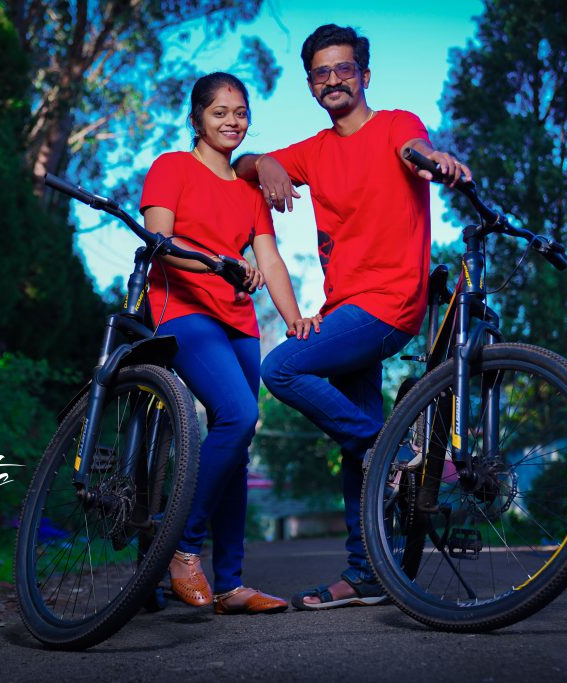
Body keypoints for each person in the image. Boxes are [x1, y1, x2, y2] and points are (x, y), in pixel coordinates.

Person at [234, 24, 471, 610]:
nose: (334, 79)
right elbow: (241, 165)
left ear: (364, 75)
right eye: (322, 72)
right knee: (354, 447)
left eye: (345, 69)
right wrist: (260, 161)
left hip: (389, 303)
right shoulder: (315, 151)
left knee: (282, 368)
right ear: (312, 84)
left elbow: (414, 152)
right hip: (343, 309)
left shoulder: (395, 124)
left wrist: (432, 159)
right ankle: (366, 572)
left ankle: (392, 452)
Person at [141, 72, 315, 615]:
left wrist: (294, 319)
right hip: (183, 309)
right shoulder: (172, 166)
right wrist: (218, 263)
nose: (231, 121)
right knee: (237, 415)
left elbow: (269, 259)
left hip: (239, 322)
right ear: (196, 118)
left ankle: (232, 585)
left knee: (237, 446)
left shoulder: (249, 191)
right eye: (219, 112)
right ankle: (182, 548)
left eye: (240, 112)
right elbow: (159, 242)